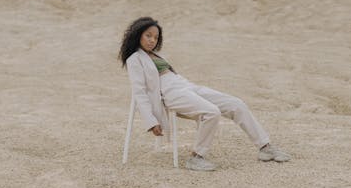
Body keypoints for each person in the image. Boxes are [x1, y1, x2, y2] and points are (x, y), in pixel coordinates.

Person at [119, 16, 290, 171]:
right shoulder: (134, 59)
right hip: (169, 93)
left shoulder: (156, 55)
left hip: (186, 86)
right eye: (148, 35)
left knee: (236, 104)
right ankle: (196, 157)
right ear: (138, 35)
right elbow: (139, 92)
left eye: (155, 37)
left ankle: (265, 147)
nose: (152, 40)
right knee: (211, 112)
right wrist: (151, 121)